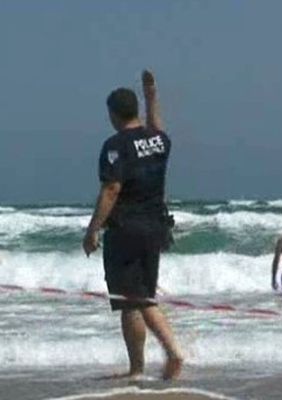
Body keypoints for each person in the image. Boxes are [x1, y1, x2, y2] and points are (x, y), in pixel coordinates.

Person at [82, 70, 183, 380]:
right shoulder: (159, 141)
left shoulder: (115, 146)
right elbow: (155, 128)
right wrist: (152, 95)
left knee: (132, 301)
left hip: (126, 229)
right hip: (156, 228)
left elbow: (111, 189)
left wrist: (93, 229)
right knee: (138, 298)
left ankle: (169, 354)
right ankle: (138, 368)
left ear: (113, 114)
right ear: (135, 110)